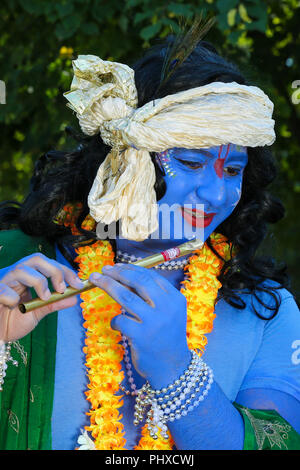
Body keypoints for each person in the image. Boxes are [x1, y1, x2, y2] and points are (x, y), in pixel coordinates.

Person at [0, 35, 299, 451]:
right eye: (192, 163)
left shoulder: (266, 309)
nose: (215, 195)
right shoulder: (13, 268)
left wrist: (177, 372)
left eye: (232, 170)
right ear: (125, 160)